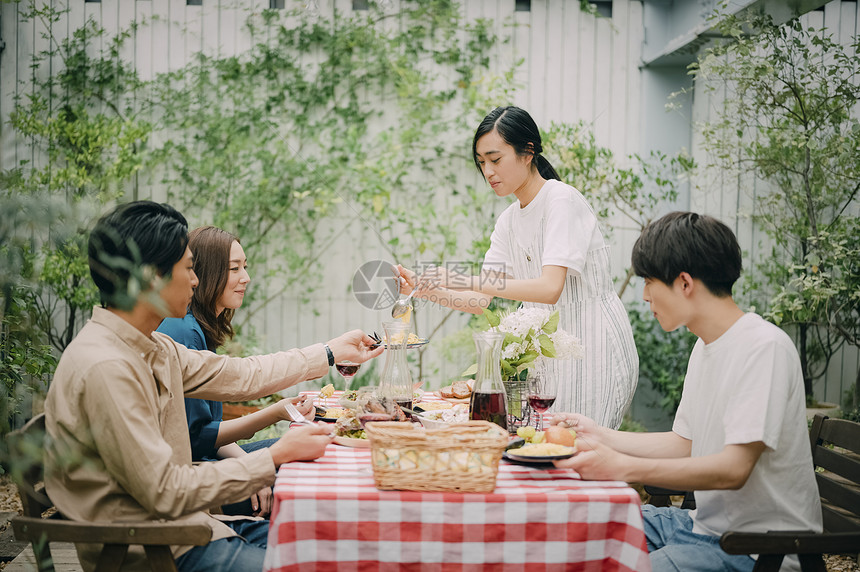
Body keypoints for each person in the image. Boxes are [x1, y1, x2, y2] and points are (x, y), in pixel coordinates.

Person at [43, 200, 383, 572]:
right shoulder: (107, 367)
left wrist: (330, 351)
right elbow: (164, 490)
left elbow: (242, 375)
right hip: (154, 550)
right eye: (188, 268)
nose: (195, 279)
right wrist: (271, 457)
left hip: (193, 527)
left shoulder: (151, 346)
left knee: (335, 543)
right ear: (151, 276)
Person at [553, 212, 822, 572]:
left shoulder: (763, 348)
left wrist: (622, 465)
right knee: (572, 528)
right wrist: (598, 435)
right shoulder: (706, 345)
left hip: (755, 549)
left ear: (684, 283)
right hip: (700, 527)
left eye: (649, 281)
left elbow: (733, 470)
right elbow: (685, 443)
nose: (645, 295)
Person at [397, 105, 638, 429]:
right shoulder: (509, 220)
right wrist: (426, 289)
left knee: (578, 455)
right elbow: (480, 300)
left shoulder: (560, 200)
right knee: (547, 455)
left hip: (593, 350)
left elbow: (549, 288)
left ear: (528, 152)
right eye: (482, 162)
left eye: (495, 159)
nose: (488, 171)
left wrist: (457, 277)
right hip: (548, 355)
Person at [157, 226, 307, 518]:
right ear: (204, 273)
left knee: (300, 457)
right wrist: (253, 469)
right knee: (296, 485)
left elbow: (207, 433)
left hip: (204, 460)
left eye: (245, 267)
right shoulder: (184, 331)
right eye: (234, 268)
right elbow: (196, 440)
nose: (246, 278)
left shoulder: (198, 327)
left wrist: (253, 465)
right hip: (192, 479)